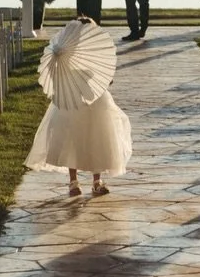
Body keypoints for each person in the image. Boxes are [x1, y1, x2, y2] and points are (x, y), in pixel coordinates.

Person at [26, 17, 133, 196]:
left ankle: (93, 180)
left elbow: (107, 79)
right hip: (72, 101)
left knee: (96, 138)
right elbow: (58, 78)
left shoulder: (93, 54)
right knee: (72, 138)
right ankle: (76, 181)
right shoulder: (64, 55)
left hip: (95, 101)